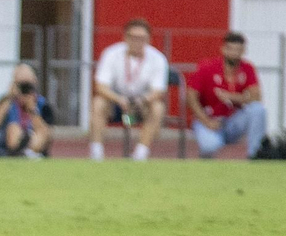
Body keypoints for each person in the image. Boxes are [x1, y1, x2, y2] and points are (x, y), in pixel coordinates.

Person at [88, 18, 170, 161]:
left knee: (157, 107)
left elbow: (158, 91)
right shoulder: (111, 54)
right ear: (125, 37)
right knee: (98, 103)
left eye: (142, 38)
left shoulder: (158, 58)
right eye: (133, 37)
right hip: (117, 105)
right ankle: (96, 153)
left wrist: (142, 100)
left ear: (149, 39)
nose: (137, 42)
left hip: (141, 106)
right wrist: (118, 99)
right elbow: (100, 86)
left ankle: (141, 153)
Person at [187, 32, 270, 159]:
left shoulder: (247, 68)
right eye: (230, 49)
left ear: (243, 51)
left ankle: (255, 156)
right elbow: (190, 97)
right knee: (210, 146)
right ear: (223, 49)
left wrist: (232, 97)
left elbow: (256, 97)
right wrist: (206, 121)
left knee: (258, 110)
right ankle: (204, 165)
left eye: (238, 50)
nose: (234, 54)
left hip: (233, 121)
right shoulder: (207, 67)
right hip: (210, 119)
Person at [0, 64, 53, 157]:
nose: (24, 89)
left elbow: (46, 134)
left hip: (35, 144)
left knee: (41, 133)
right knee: (14, 128)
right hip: (9, 145)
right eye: (21, 84)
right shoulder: (6, 101)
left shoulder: (42, 104)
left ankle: (27, 154)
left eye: (28, 85)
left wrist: (32, 110)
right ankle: (18, 154)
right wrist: (9, 99)